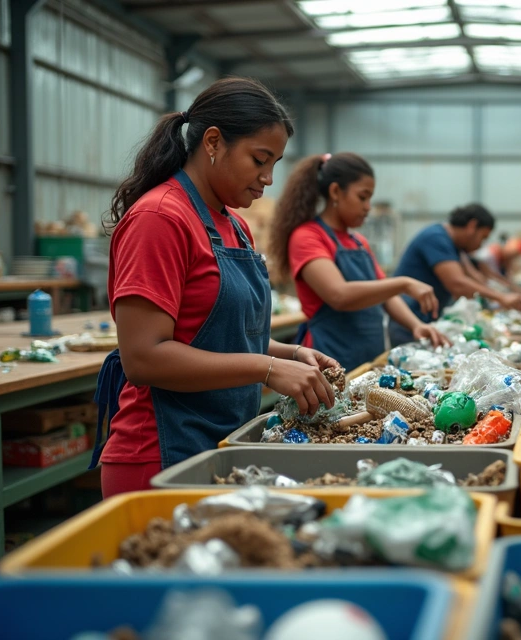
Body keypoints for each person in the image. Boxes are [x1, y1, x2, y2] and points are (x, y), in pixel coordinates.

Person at [90, 78, 340, 498]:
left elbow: (225, 337)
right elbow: (144, 357)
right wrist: (268, 368)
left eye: (275, 163)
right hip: (162, 456)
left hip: (222, 445)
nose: (269, 178)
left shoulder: (235, 227)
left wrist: (291, 354)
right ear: (212, 142)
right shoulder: (160, 218)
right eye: (260, 159)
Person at [269, 152, 448, 372]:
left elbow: (386, 295)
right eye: (362, 197)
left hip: (367, 356)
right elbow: (339, 295)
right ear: (335, 191)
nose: (368, 207)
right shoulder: (307, 237)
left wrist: (416, 325)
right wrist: (404, 283)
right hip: (328, 358)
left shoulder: (358, 241)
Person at [389, 204, 521, 345]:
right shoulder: (436, 238)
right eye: (483, 237)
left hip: (425, 321)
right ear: (472, 226)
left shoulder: (456, 247)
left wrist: (499, 297)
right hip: (409, 322)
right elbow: (457, 283)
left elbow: (475, 278)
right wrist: (501, 297)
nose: (481, 244)